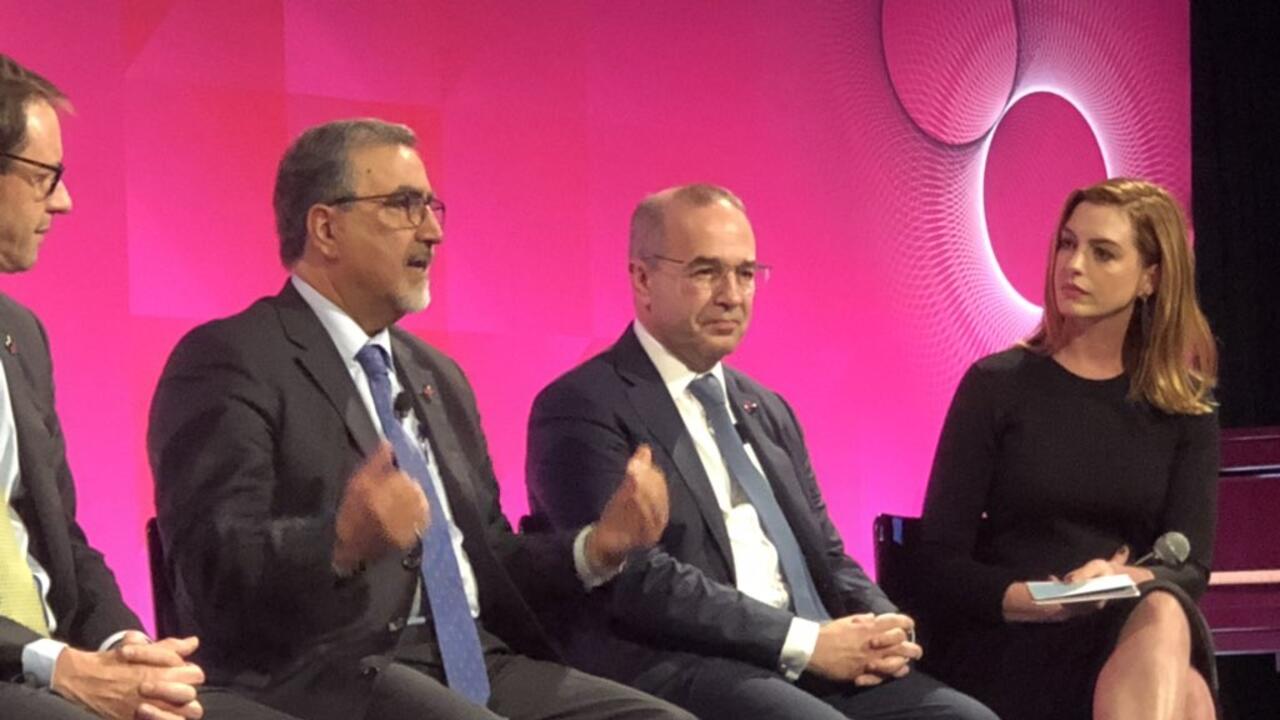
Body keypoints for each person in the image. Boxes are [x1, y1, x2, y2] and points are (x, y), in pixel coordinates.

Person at [146, 118, 692, 720]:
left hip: (478, 660)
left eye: (432, 207)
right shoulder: (232, 357)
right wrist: (340, 540)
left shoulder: (438, 376)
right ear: (326, 227)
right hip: (331, 669)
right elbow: (208, 567)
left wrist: (599, 546)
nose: (432, 232)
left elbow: (489, 554)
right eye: (404, 206)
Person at [524, 183, 996, 720]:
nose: (731, 294)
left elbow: (827, 551)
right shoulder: (582, 404)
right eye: (706, 272)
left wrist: (883, 622)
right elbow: (634, 578)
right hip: (685, 659)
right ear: (642, 278)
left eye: (746, 273)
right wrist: (803, 642)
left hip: (808, 654)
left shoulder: (766, 408)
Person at [0, 54, 300, 720]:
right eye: (44, 176)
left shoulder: (21, 335)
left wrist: (126, 645)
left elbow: (62, 540)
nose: (65, 201)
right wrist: (58, 665)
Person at [919, 178, 1220, 720]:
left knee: (1163, 610)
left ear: (1150, 278)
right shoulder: (997, 386)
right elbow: (939, 559)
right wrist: (1029, 598)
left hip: (1125, 624)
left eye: (1102, 253)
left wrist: (1119, 580)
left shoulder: (1184, 408)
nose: (1073, 265)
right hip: (1014, 634)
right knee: (1189, 696)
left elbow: (1191, 565)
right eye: (1066, 243)